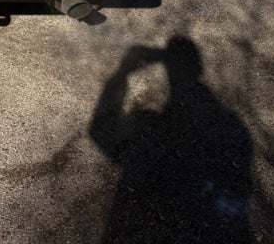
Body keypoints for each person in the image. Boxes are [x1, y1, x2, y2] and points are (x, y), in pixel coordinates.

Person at [90, 36, 253, 243]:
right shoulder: (234, 132)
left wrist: (124, 71)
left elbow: (101, 129)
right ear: (199, 71)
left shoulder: (149, 130)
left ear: (169, 73)